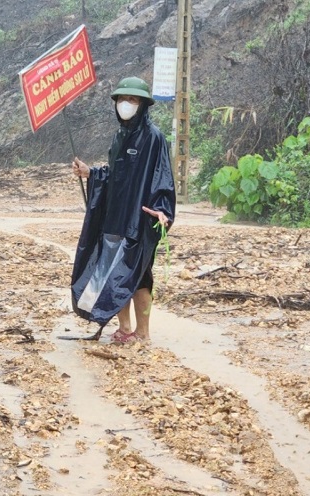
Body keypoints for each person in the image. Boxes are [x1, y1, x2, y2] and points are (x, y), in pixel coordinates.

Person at [70, 76, 176, 344]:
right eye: (122, 99)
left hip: (139, 220)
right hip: (114, 219)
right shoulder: (120, 136)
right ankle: (125, 328)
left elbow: (163, 176)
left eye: (133, 100)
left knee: (139, 276)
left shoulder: (154, 138)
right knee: (116, 276)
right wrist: (91, 173)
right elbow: (115, 176)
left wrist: (162, 209)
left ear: (143, 105)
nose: (126, 104)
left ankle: (143, 333)